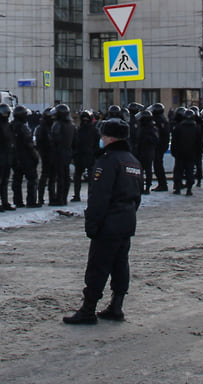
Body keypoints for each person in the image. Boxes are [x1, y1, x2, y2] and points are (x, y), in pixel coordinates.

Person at [62, 116, 142, 325]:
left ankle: (88, 310)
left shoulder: (108, 162)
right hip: (127, 220)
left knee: (98, 266)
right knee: (120, 264)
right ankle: (116, 306)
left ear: (108, 137)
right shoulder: (132, 161)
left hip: (109, 222)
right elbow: (137, 195)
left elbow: (100, 197)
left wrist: (92, 223)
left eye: (103, 135)